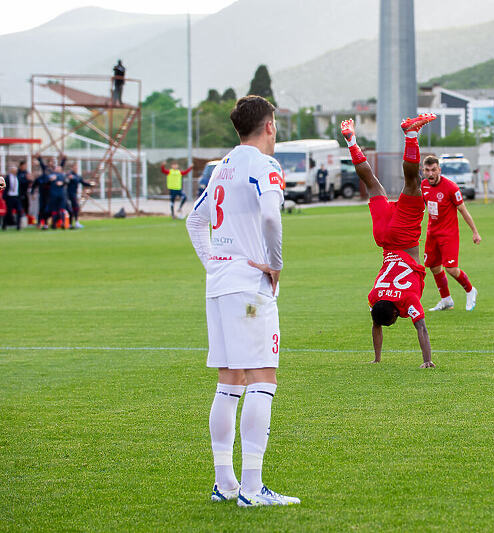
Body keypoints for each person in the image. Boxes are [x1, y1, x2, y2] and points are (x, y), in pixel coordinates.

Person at [185, 95, 299, 508]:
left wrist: (213, 264)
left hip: (220, 287)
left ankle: (225, 482)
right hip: (250, 289)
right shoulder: (265, 165)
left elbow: (194, 219)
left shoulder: (222, 167)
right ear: (269, 125)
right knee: (263, 379)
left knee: (230, 380)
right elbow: (271, 216)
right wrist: (275, 265)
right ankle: (252, 489)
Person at [340, 114, 436, 368]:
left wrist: (427, 361)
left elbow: (421, 329)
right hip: (383, 238)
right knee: (372, 184)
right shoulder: (374, 297)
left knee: (412, 183)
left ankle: (411, 134)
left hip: (403, 237)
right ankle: (352, 143)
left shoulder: (407, 302)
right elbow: (376, 323)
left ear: (395, 313)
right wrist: (376, 358)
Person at [421, 155, 481, 312]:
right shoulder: (424, 186)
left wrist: (475, 232)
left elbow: (463, 210)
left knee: (451, 269)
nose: (430, 173)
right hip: (432, 232)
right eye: (427, 170)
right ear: (423, 171)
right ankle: (446, 300)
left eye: (433, 170)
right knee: (434, 266)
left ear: (439, 170)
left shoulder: (451, 188)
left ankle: (470, 290)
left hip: (449, 234)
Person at [66, 163, 94, 229]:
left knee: (76, 208)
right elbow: (67, 179)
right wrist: (71, 178)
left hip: (73, 194)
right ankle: (68, 223)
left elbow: (83, 182)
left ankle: (76, 222)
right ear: (72, 168)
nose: (76, 169)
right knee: (69, 209)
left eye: (77, 168)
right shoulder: (69, 174)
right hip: (67, 194)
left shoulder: (77, 176)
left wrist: (91, 184)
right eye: (75, 167)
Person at [16, 160, 32, 225]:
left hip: (25, 193)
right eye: (24, 165)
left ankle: (26, 221)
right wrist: (27, 180)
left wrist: (30, 181)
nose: (25, 167)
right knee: (20, 208)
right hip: (19, 193)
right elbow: (20, 181)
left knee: (26, 206)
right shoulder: (18, 173)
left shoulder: (26, 172)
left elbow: (30, 181)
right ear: (21, 166)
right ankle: (19, 222)